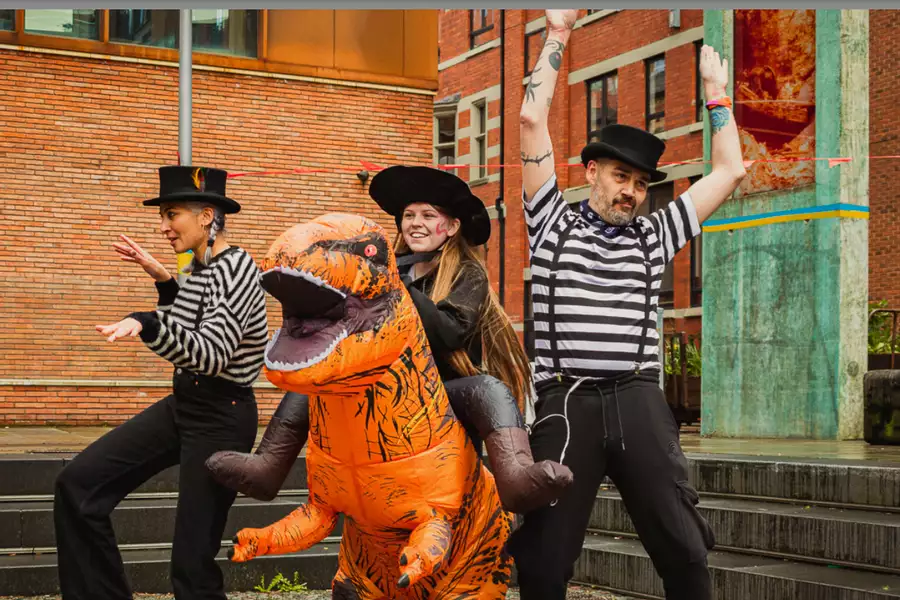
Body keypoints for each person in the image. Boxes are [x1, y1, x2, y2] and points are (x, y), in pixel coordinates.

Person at [507, 9, 747, 600]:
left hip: (638, 399)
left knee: (685, 549)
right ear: (591, 172)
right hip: (567, 402)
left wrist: (717, 98)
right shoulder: (551, 221)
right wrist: (558, 34)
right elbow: (530, 115)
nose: (631, 192)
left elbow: (730, 169)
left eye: (640, 184)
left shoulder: (654, 234)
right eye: (621, 177)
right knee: (543, 560)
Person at [207, 165, 573, 515]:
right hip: (383, 385)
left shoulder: (466, 274)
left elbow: (450, 333)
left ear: (451, 226)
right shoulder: (391, 267)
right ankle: (269, 464)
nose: (416, 224)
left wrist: (398, 286)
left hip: (441, 393)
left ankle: (515, 475)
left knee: (489, 390)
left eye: (429, 215)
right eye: (409, 215)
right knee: (317, 377)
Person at [53, 166, 268, 600]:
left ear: (207, 215)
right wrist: (164, 280)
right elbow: (187, 318)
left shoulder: (237, 269)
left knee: (191, 566)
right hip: (184, 407)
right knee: (78, 485)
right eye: (163, 216)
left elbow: (209, 355)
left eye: (172, 214)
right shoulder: (203, 266)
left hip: (221, 417)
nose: (164, 227)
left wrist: (145, 322)